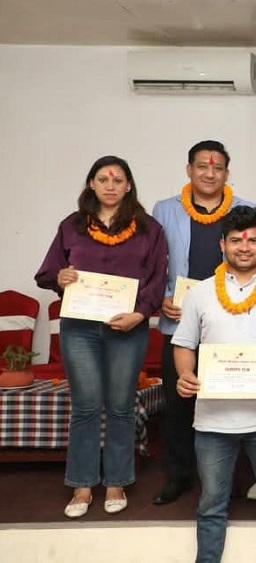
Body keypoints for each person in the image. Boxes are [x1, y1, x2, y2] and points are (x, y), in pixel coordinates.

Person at [35, 155, 168, 518]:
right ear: (92, 184)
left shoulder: (150, 229)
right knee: (86, 406)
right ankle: (81, 485)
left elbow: (158, 279)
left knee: (121, 406)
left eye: (118, 180)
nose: (110, 186)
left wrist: (140, 314)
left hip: (128, 327)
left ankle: (116, 482)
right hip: (79, 329)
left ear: (129, 186)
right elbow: (48, 273)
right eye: (103, 179)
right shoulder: (72, 226)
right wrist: (60, 277)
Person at [173, 206, 256, 563]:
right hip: (212, 422)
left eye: (252, 240)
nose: (244, 248)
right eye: (236, 241)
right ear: (223, 244)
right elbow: (183, 344)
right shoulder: (200, 293)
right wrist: (185, 374)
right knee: (211, 505)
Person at [152, 140, 256, 505]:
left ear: (227, 173)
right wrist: (163, 296)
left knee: (231, 400)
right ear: (189, 170)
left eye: (217, 168)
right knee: (179, 400)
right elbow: (155, 263)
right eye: (202, 166)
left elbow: (255, 260)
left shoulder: (245, 209)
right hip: (179, 320)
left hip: (229, 321)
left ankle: (235, 478)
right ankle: (178, 476)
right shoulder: (165, 210)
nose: (210, 173)